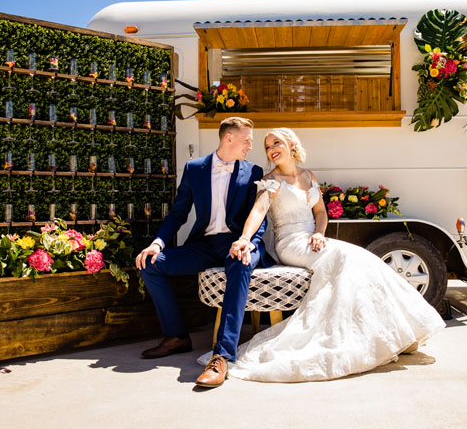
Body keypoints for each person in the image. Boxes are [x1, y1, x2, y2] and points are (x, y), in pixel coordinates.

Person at [224, 128, 446, 382]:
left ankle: (393, 334)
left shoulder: (308, 176)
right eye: (267, 146)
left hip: (314, 240)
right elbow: (258, 211)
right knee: (345, 259)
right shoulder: (271, 180)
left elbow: (320, 213)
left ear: (292, 145)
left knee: (363, 258)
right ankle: (353, 337)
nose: (271, 149)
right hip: (290, 243)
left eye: (277, 142)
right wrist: (244, 238)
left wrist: (319, 233)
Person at [136, 117, 273, 388]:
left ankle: (222, 356)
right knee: (149, 264)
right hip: (206, 245)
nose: (250, 146)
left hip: (240, 242)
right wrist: (157, 243)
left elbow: (260, 217)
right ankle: (176, 336)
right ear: (228, 138)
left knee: (239, 263)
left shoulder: (254, 171)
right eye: (246, 140)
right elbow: (178, 214)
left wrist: (248, 242)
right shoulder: (195, 168)